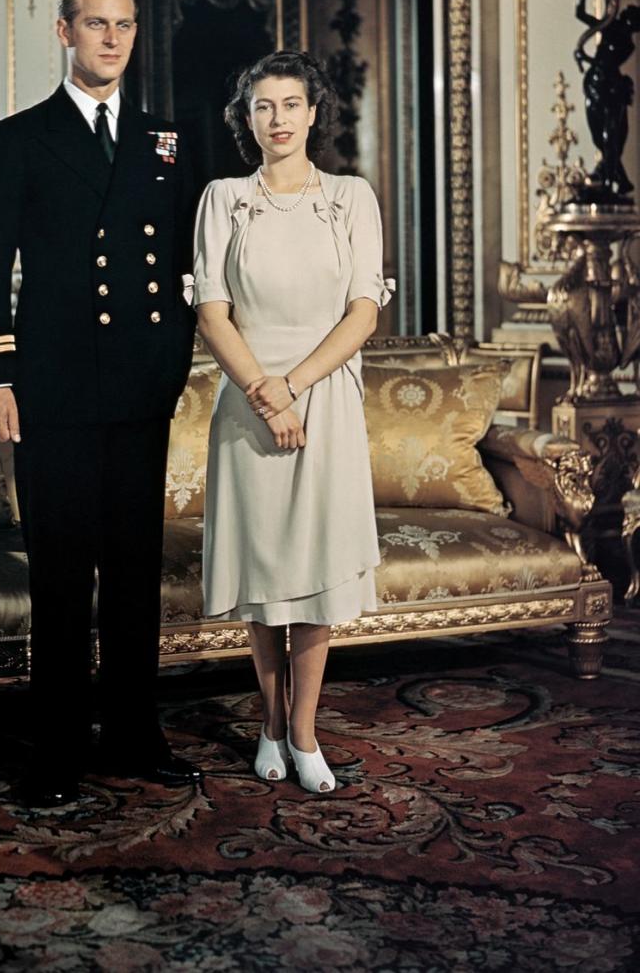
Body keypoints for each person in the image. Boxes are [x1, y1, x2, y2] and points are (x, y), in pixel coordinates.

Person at [0, 0, 203, 808]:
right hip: (54, 389)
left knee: (136, 570)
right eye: (96, 24)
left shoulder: (166, 140)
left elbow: (180, 265)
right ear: (64, 32)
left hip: (140, 388)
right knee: (62, 575)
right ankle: (56, 751)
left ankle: (136, 736)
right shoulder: (19, 137)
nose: (112, 39)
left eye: (125, 25)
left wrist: (174, 361)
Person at [192, 50, 392, 793]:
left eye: (290, 104)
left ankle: (303, 733)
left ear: (315, 113)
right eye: (263, 106)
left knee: (313, 578)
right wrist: (262, 393)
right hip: (247, 404)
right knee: (267, 576)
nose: (277, 119)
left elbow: (364, 310)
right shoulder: (222, 199)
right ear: (247, 119)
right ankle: (267, 724)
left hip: (325, 398)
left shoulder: (350, 197)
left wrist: (296, 389)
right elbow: (212, 310)